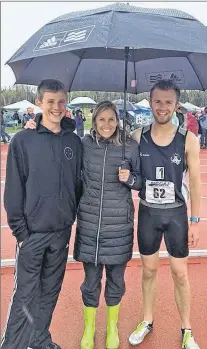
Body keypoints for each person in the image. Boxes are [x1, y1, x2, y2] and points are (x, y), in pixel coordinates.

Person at [2, 79, 82, 349]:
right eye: (50, 102)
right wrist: (21, 233)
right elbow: (13, 190)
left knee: (50, 291)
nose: (56, 107)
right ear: (39, 103)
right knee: (24, 296)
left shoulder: (74, 141)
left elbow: (78, 185)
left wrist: (69, 217)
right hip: (32, 235)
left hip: (61, 233)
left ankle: (39, 340)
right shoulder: (22, 140)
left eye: (61, 101)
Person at [129, 79, 201, 349]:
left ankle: (186, 329)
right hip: (148, 214)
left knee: (179, 273)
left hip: (176, 216)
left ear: (176, 105)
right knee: (148, 271)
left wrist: (195, 221)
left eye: (168, 102)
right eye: (157, 101)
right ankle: (147, 320)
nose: (162, 107)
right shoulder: (138, 136)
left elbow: (195, 182)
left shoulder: (188, 140)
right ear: (150, 103)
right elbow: (108, 142)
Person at [73, 101, 142, 349]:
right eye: (101, 119)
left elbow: (141, 182)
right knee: (90, 282)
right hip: (90, 224)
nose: (106, 125)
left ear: (118, 120)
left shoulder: (129, 147)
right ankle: (89, 327)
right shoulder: (84, 145)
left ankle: (112, 326)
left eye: (111, 119)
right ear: (94, 120)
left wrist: (131, 178)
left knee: (116, 281)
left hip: (119, 226)